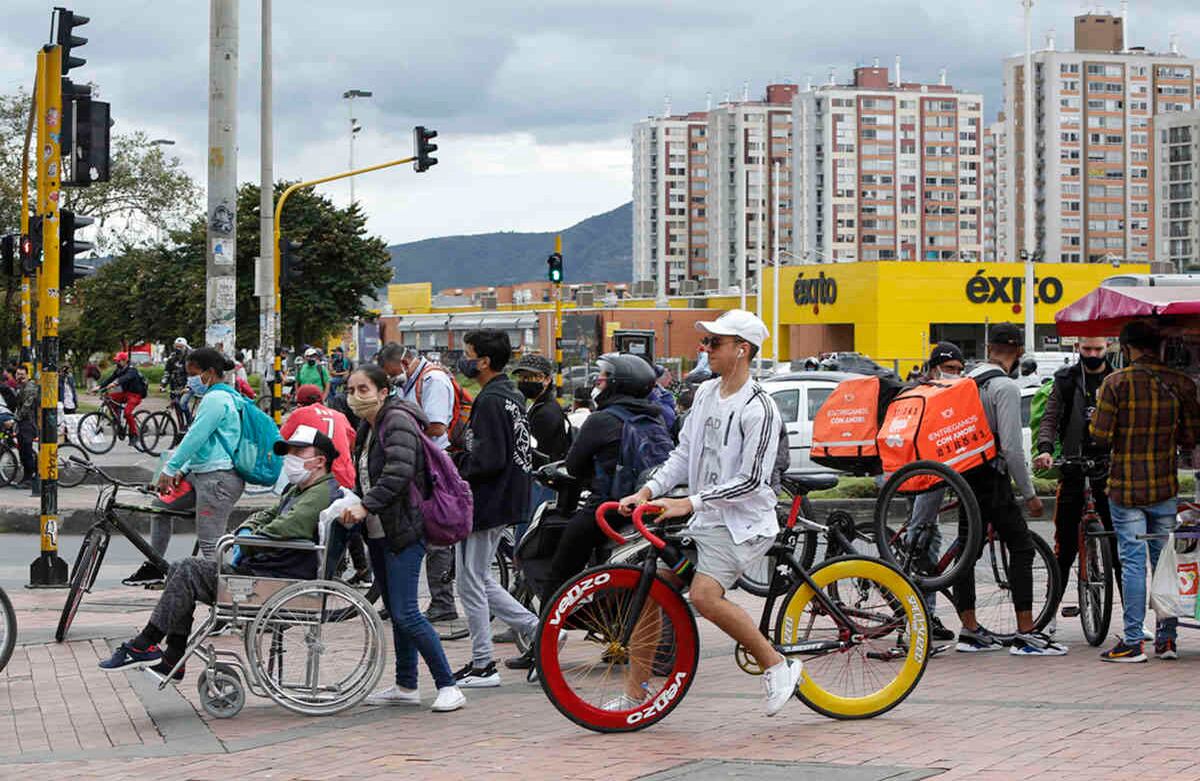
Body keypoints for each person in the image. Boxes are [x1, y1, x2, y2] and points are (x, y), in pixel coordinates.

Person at [620, 310, 799, 716]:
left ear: (743, 350)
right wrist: (647, 491)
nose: (705, 349)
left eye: (714, 343)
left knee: (703, 595)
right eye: (707, 342)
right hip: (708, 519)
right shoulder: (704, 394)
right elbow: (683, 454)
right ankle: (634, 695)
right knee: (653, 590)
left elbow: (753, 481)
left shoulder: (760, 408)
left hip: (743, 523)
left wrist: (688, 503)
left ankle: (777, 665)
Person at [98, 426, 343, 680]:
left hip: (275, 580)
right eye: (289, 451)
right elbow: (264, 516)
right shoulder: (299, 490)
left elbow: (285, 527)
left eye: (298, 451)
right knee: (181, 568)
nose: (290, 456)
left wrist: (246, 540)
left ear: (320, 461)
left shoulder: (320, 493)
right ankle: (171, 654)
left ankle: (146, 644)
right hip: (264, 572)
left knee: (187, 570)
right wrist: (249, 529)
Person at [338, 364, 466, 712]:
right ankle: (406, 684)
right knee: (396, 611)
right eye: (351, 390)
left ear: (383, 391)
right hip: (380, 530)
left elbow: (399, 471)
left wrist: (365, 505)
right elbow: (367, 474)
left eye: (363, 389)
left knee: (408, 612)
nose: (355, 397)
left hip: (404, 528)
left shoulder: (396, 420)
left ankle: (448, 685)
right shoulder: (370, 424)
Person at [1091, 321, 1200, 663]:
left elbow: (1100, 436)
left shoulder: (1115, 383)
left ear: (1127, 348)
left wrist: (1097, 416)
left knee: (1133, 564)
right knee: (1164, 562)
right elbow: (1191, 436)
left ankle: (1133, 641)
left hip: (1125, 490)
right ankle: (1167, 639)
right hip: (1164, 489)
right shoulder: (1180, 384)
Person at [955, 323, 1062, 656]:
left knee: (966, 554)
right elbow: (1013, 449)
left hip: (963, 477)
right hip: (992, 478)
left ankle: (970, 630)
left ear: (989, 348)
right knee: (1021, 546)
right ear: (1018, 353)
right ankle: (1026, 633)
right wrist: (1029, 494)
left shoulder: (967, 381)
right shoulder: (1005, 387)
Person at [452, 329, 540, 687]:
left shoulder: (490, 400)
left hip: (486, 499)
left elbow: (487, 458)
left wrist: (455, 462)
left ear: (484, 361)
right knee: (477, 578)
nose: (464, 359)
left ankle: (483, 664)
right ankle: (538, 631)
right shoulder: (510, 395)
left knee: (469, 583)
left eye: (467, 353)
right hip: (505, 497)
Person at [543, 353, 665, 601]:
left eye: (605, 378)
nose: (599, 382)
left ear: (619, 384)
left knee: (563, 567)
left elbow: (574, 466)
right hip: (649, 505)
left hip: (609, 509)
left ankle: (545, 626)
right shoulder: (656, 416)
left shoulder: (601, 420)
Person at [123, 349, 246, 586]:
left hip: (217, 478)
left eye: (193, 374)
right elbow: (205, 441)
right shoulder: (215, 397)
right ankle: (155, 564)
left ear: (209, 373)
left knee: (211, 545)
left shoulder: (217, 399)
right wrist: (182, 470)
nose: (190, 380)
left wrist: (170, 469)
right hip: (201, 474)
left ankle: (223, 601)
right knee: (161, 508)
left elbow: (195, 437)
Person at [1033, 337, 1118, 629]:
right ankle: (1050, 612)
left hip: (1109, 468)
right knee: (1065, 548)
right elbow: (1051, 417)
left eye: (1098, 350)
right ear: (1077, 348)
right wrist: (1045, 448)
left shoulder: (1117, 377)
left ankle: (1133, 620)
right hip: (1073, 465)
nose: (1092, 355)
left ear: (1108, 347)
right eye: (1087, 350)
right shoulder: (1066, 380)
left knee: (1117, 547)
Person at [387, 344, 460, 624]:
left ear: (404, 362)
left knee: (436, 538)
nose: (392, 379)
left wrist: (403, 429)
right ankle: (397, 599)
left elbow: (437, 426)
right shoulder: (408, 383)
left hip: (437, 467)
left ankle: (443, 602)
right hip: (416, 463)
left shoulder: (433, 380)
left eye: (393, 372)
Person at [905, 341, 967, 643]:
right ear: (932, 369)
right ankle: (920, 619)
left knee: (930, 537)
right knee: (922, 538)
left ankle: (925, 614)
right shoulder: (917, 394)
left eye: (958, 370)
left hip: (935, 475)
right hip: (914, 475)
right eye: (948, 369)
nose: (953, 374)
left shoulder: (948, 394)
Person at [281, 383, 367, 584]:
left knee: (303, 515)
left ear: (300, 402)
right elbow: (352, 441)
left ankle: (320, 567)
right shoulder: (338, 415)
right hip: (345, 473)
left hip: (319, 474)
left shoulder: (300, 414)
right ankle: (362, 567)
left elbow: (284, 442)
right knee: (342, 519)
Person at [95, 352, 148, 440]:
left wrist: (115, 383)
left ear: (125, 361)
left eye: (118, 361)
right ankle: (117, 421)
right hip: (126, 394)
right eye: (116, 361)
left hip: (135, 395)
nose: (117, 363)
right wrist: (99, 387)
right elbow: (110, 378)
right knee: (110, 398)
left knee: (127, 413)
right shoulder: (119, 370)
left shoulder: (132, 370)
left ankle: (134, 434)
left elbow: (126, 378)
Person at [13, 367, 39, 492]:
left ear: (27, 375)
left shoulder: (30, 387)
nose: (20, 377)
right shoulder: (21, 387)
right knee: (23, 452)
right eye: (18, 374)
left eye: (22, 374)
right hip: (23, 423)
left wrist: (16, 418)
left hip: (28, 423)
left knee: (26, 452)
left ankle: (30, 479)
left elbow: (26, 406)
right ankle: (27, 477)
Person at [648, 364, 677, 432]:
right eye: (667, 376)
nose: (670, 379)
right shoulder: (660, 394)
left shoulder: (666, 394)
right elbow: (669, 418)